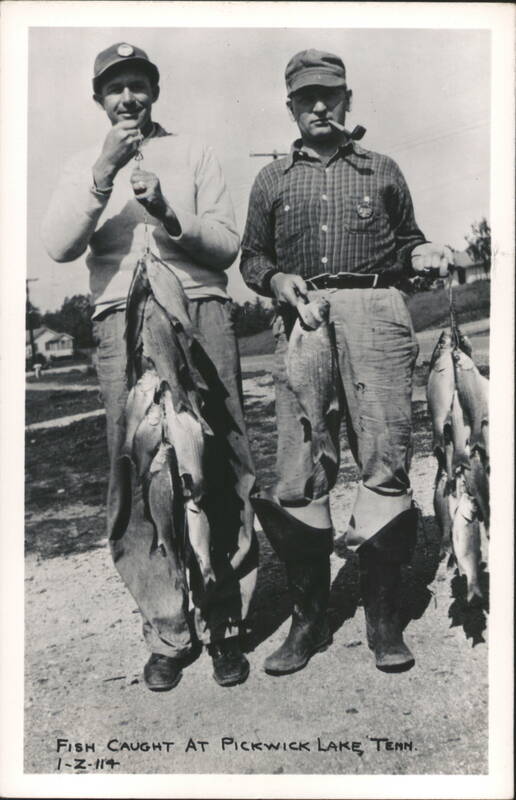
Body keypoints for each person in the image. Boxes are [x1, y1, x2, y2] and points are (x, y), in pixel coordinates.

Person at [42, 42, 257, 691]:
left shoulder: (193, 151)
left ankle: (223, 618)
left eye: (138, 85)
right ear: (99, 99)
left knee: (219, 460)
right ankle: (168, 627)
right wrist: (102, 175)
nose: (128, 97)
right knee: (139, 473)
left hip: (198, 310)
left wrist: (167, 211)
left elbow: (227, 245)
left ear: (154, 92)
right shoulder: (82, 164)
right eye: (115, 88)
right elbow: (58, 245)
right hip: (121, 322)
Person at [241, 49, 452, 677]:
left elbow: (409, 241)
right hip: (303, 320)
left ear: (347, 100)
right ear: (290, 106)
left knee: (385, 458)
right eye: (306, 97)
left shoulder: (381, 169)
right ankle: (308, 620)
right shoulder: (272, 179)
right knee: (299, 468)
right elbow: (252, 259)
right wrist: (277, 280)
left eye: (329, 95)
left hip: (377, 311)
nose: (319, 106)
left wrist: (423, 253)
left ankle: (384, 619)